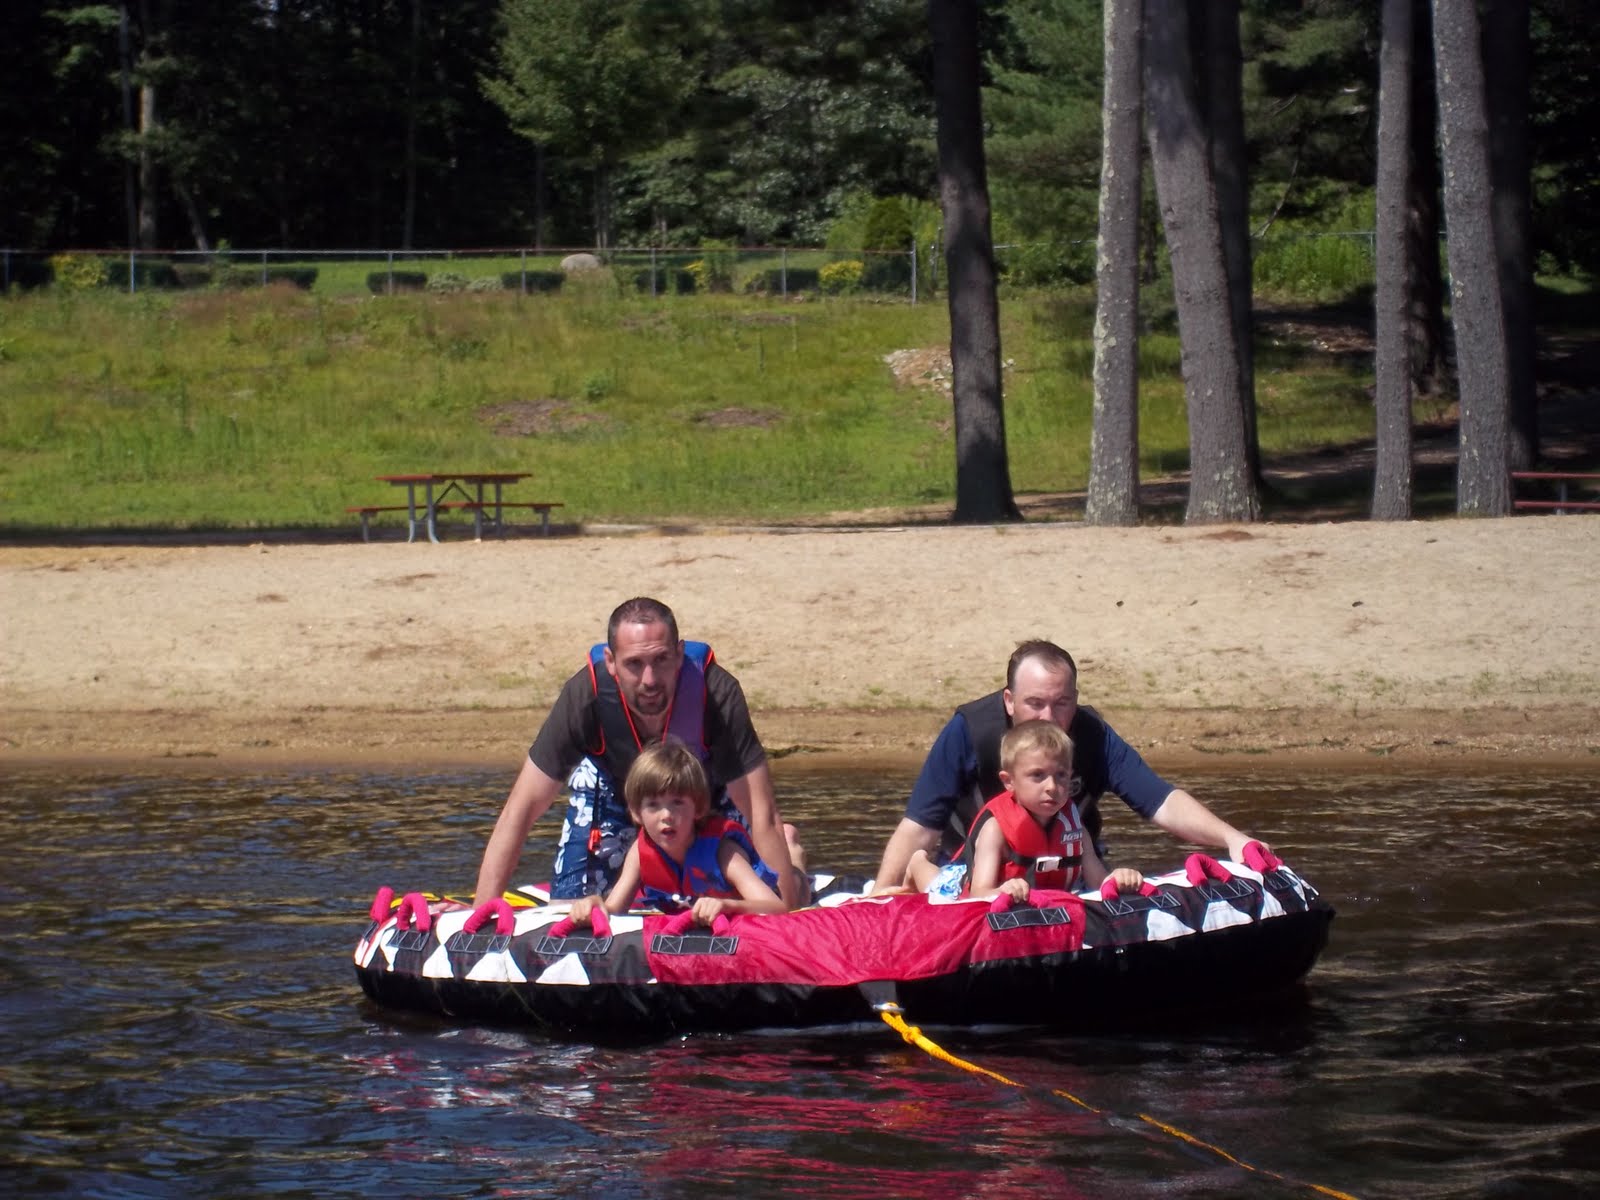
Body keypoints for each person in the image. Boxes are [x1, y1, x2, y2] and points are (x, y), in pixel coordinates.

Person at [473, 597, 806, 908]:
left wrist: (789, 911)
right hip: (615, 791)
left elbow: (762, 813)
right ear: (611, 663)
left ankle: (793, 856)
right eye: (634, 664)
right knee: (571, 907)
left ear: (678, 655)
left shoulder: (717, 694)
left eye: (661, 660)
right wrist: (480, 911)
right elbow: (523, 807)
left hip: (702, 793)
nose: (649, 680)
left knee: (755, 891)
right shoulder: (585, 697)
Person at [873, 639, 1272, 892]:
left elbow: (1160, 800)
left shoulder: (1092, 733)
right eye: (1034, 704)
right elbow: (920, 826)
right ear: (1009, 701)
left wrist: (1233, 838)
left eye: (1061, 703)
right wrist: (877, 897)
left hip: (1069, 873)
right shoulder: (969, 731)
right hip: (977, 875)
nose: (1049, 716)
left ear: (1075, 699)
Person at [904, 720, 1144, 903]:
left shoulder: (1075, 828)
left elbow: (1098, 883)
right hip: (965, 889)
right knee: (940, 887)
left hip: (1035, 897)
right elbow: (979, 893)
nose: (1051, 787)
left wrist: (1119, 879)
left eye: (1061, 775)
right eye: (1037, 776)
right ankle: (917, 863)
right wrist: (1003, 890)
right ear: (1009, 782)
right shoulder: (995, 829)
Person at [565, 740, 791, 929]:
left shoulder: (723, 852)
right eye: (653, 805)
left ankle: (792, 847)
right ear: (636, 813)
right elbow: (615, 910)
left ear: (699, 808)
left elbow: (777, 907)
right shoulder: (640, 853)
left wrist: (728, 906)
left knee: (799, 889)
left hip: (747, 896)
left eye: (677, 803)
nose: (666, 815)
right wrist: (595, 904)